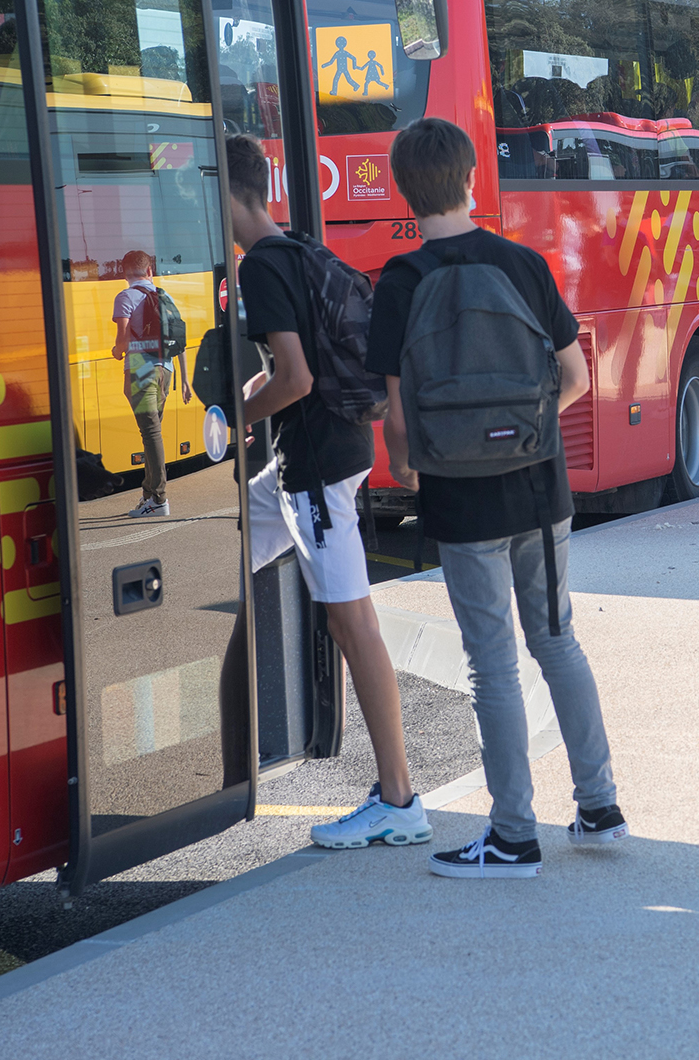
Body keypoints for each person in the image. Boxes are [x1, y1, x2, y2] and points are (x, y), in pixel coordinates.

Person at [367, 117, 626, 878]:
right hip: (540, 491)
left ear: (406, 194)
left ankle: (514, 835)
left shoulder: (402, 281)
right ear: (473, 180)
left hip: (461, 499)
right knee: (557, 642)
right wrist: (526, 431)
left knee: (492, 666)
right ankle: (599, 807)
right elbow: (575, 378)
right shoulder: (522, 264)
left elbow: (397, 412)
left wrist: (413, 464)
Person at [218, 135, 428, 848]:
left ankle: (399, 799)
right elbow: (291, 368)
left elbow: (297, 379)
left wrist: (229, 420)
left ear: (226, 195)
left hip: (316, 470)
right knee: (211, 552)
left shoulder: (260, 269)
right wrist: (259, 394)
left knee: (351, 622)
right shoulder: (303, 248)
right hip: (309, 461)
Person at [110, 249, 189, 517]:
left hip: (142, 369)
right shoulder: (164, 296)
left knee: (150, 434)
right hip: (166, 370)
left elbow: (123, 340)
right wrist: (186, 381)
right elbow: (180, 340)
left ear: (124, 273)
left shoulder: (125, 297)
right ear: (149, 271)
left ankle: (159, 499)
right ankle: (149, 495)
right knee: (151, 435)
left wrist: (116, 351)